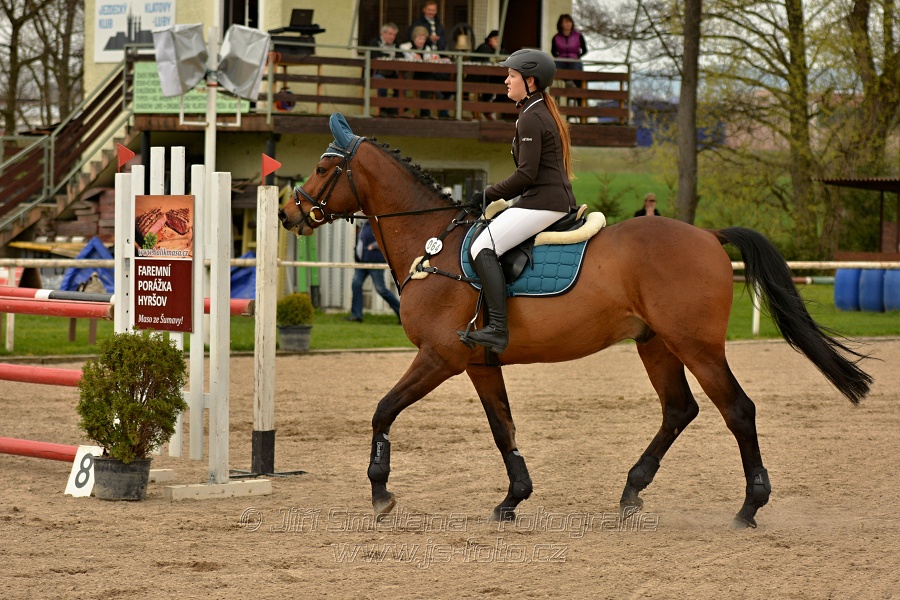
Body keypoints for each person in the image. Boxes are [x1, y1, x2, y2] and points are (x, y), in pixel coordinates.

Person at [458, 49, 575, 354]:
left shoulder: (532, 117)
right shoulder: (534, 111)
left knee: (481, 246)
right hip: (543, 199)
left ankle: (497, 328)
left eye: (511, 75)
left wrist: (486, 194)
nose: (506, 81)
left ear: (530, 80)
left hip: (543, 202)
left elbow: (525, 175)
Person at [346, 220, 401, 323]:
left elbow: (386, 239)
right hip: (362, 263)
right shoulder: (364, 225)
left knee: (381, 290)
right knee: (356, 285)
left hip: (375, 263)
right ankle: (356, 315)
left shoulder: (378, 224)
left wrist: (374, 246)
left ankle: (401, 313)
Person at [400, 25, 447, 118]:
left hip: (424, 76)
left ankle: (425, 112)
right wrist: (414, 58)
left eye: (424, 39)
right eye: (420, 38)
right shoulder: (405, 47)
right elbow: (406, 59)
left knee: (426, 80)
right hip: (411, 75)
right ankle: (438, 95)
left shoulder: (427, 48)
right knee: (427, 79)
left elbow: (431, 59)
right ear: (414, 38)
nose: (422, 41)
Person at [471, 30, 508, 120]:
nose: (497, 41)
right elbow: (485, 60)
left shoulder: (502, 50)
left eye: (499, 40)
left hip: (495, 76)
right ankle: (486, 108)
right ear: (489, 39)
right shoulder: (484, 47)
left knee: (505, 90)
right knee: (491, 86)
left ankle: (489, 109)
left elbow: (507, 58)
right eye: (495, 39)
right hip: (480, 77)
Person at [369, 23, 401, 116]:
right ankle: (382, 109)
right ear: (383, 33)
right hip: (376, 72)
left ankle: (394, 110)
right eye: (390, 34)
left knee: (402, 84)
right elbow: (375, 55)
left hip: (391, 73)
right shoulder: (375, 42)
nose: (392, 37)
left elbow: (401, 55)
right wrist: (391, 56)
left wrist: (389, 56)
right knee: (381, 82)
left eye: (394, 35)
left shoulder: (396, 44)